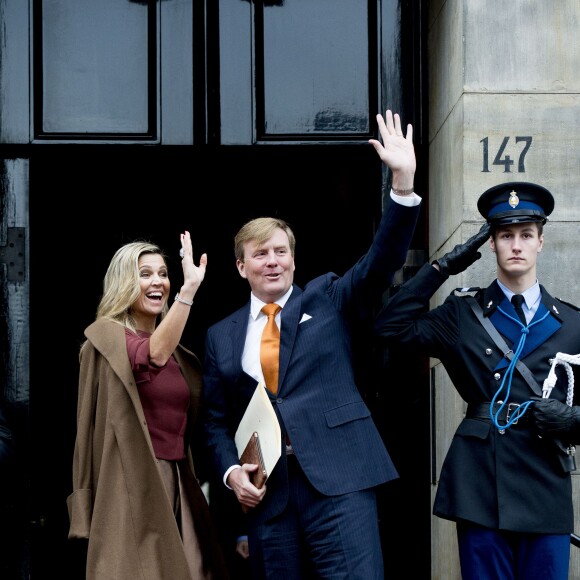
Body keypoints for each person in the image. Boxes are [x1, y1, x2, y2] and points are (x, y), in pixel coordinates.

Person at [202, 109, 422, 579]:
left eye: (281, 251)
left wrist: (401, 188)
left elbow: (379, 264)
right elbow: (216, 422)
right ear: (241, 267)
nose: (273, 261)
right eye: (260, 254)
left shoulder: (329, 297)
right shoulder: (220, 336)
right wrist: (230, 473)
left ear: (295, 260)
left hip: (340, 484)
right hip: (271, 499)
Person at [374, 181, 580, 579]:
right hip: (483, 484)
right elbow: (390, 326)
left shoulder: (572, 323)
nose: (516, 245)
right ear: (491, 244)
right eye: (505, 236)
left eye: (525, 235)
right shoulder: (463, 313)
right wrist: (444, 266)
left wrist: (573, 422)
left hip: (544, 484)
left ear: (541, 242)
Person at [67, 233, 229, 580]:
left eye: (163, 273)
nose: (158, 281)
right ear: (124, 283)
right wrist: (188, 291)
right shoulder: (106, 337)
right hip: (130, 484)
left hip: (177, 481)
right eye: (145, 273)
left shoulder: (181, 357)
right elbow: (150, 355)